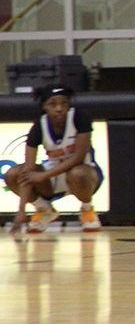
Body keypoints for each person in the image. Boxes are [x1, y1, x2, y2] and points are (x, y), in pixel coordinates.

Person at [5, 84, 103, 234]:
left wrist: (43, 175)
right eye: (53, 104)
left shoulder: (80, 117)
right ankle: (44, 209)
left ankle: (87, 209)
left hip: (85, 174)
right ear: (44, 106)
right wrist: (21, 211)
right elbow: (28, 171)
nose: (59, 108)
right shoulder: (39, 127)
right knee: (12, 174)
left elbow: (78, 157)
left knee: (78, 173)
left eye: (63, 103)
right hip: (54, 175)